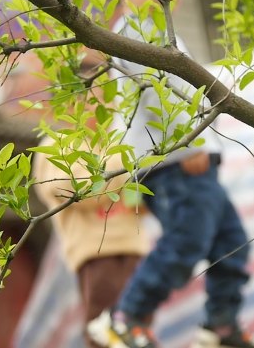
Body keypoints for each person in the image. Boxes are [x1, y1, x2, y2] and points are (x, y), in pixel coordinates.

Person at [87, 0, 254, 347]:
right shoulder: (137, 31)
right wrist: (193, 144)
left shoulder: (157, 30)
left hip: (191, 163)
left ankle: (221, 327)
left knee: (231, 243)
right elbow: (159, 96)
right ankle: (124, 317)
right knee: (184, 242)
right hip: (176, 162)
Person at [32, 134, 150, 348]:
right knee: (105, 330)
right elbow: (77, 190)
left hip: (135, 247)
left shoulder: (116, 139)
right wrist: (121, 171)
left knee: (138, 329)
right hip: (97, 251)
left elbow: (142, 200)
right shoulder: (56, 145)